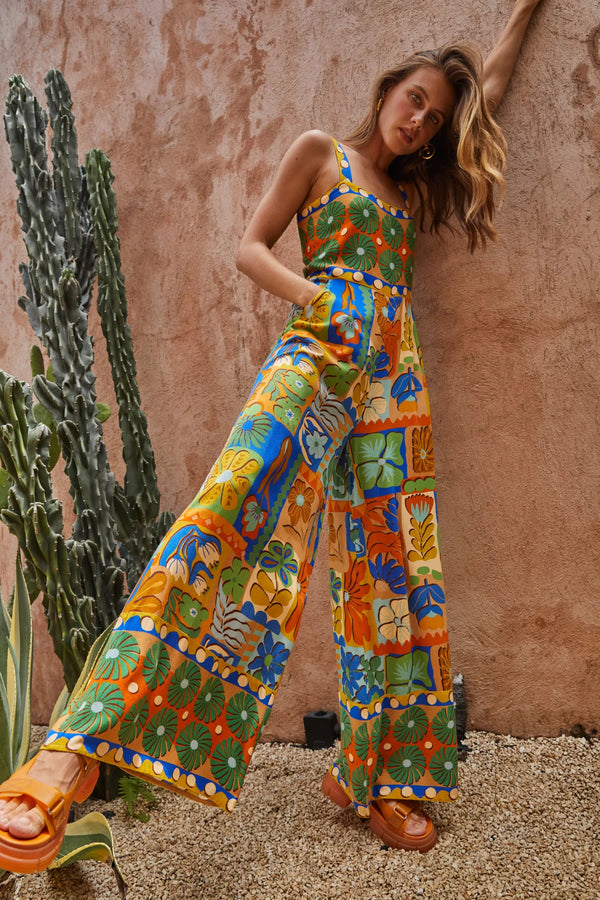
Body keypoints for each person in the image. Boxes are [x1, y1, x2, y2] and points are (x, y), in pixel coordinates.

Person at [0, 0, 544, 870]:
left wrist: (525, 11)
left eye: (435, 117)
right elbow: (251, 247)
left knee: (396, 570)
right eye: (413, 98)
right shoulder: (321, 152)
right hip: (311, 366)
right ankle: (71, 754)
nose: (419, 121)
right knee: (223, 521)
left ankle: (382, 774)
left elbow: (498, 89)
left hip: (392, 394)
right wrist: (316, 299)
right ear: (387, 89)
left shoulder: (411, 192)